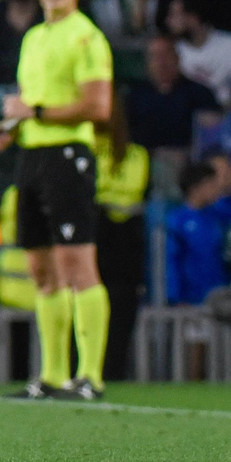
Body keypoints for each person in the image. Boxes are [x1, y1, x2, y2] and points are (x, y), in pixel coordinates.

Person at [0, 0, 114, 401]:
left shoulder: (87, 38)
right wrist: (10, 128)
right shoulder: (34, 37)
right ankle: (53, 375)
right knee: (41, 268)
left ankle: (90, 376)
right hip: (31, 156)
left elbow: (99, 108)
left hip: (68, 154)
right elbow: (27, 101)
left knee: (79, 265)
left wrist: (33, 112)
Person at [93, 91, 148, 383]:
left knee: (122, 312)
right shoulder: (85, 148)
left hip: (122, 243)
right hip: (95, 239)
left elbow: (130, 192)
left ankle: (115, 373)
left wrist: (100, 198)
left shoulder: (136, 155)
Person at [167, 0, 231, 107]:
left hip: (229, 112)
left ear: (193, 17)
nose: (169, 21)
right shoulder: (172, 50)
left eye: (174, 15)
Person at [165, 160, 228, 306]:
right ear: (195, 188)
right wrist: (175, 297)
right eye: (211, 184)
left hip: (218, 296)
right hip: (189, 300)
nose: (216, 189)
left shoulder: (218, 217)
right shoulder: (177, 221)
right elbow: (172, 262)